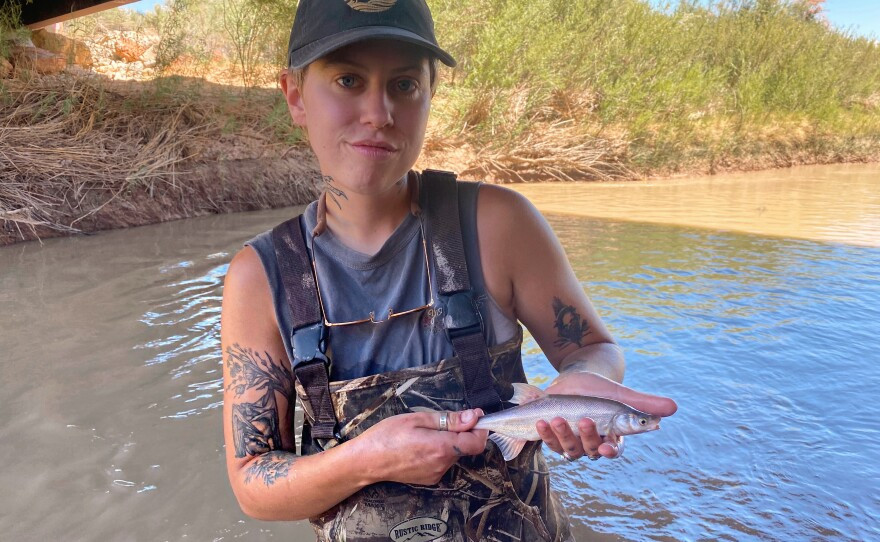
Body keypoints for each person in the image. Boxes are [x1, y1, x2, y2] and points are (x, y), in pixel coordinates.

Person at [221, 1, 677, 540]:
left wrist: (584, 386)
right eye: (348, 79)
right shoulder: (260, 278)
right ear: (296, 96)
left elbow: (593, 348)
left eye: (405, 85)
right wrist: (365, 460)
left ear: (430, 95)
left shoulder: (499, 224)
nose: (379, 111)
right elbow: (253, 483)